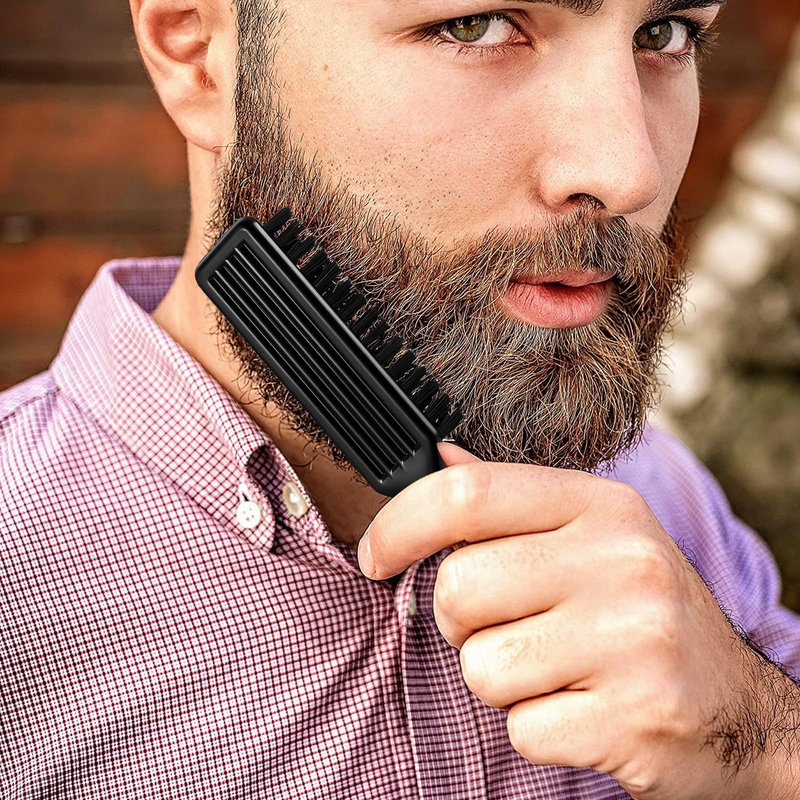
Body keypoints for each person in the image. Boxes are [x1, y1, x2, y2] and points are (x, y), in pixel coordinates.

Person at [2, 0, 799, 797]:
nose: (629, 174)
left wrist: (759, 743)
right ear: (197, 54)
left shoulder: (660, 497)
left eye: (664, 34)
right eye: (477, 26)